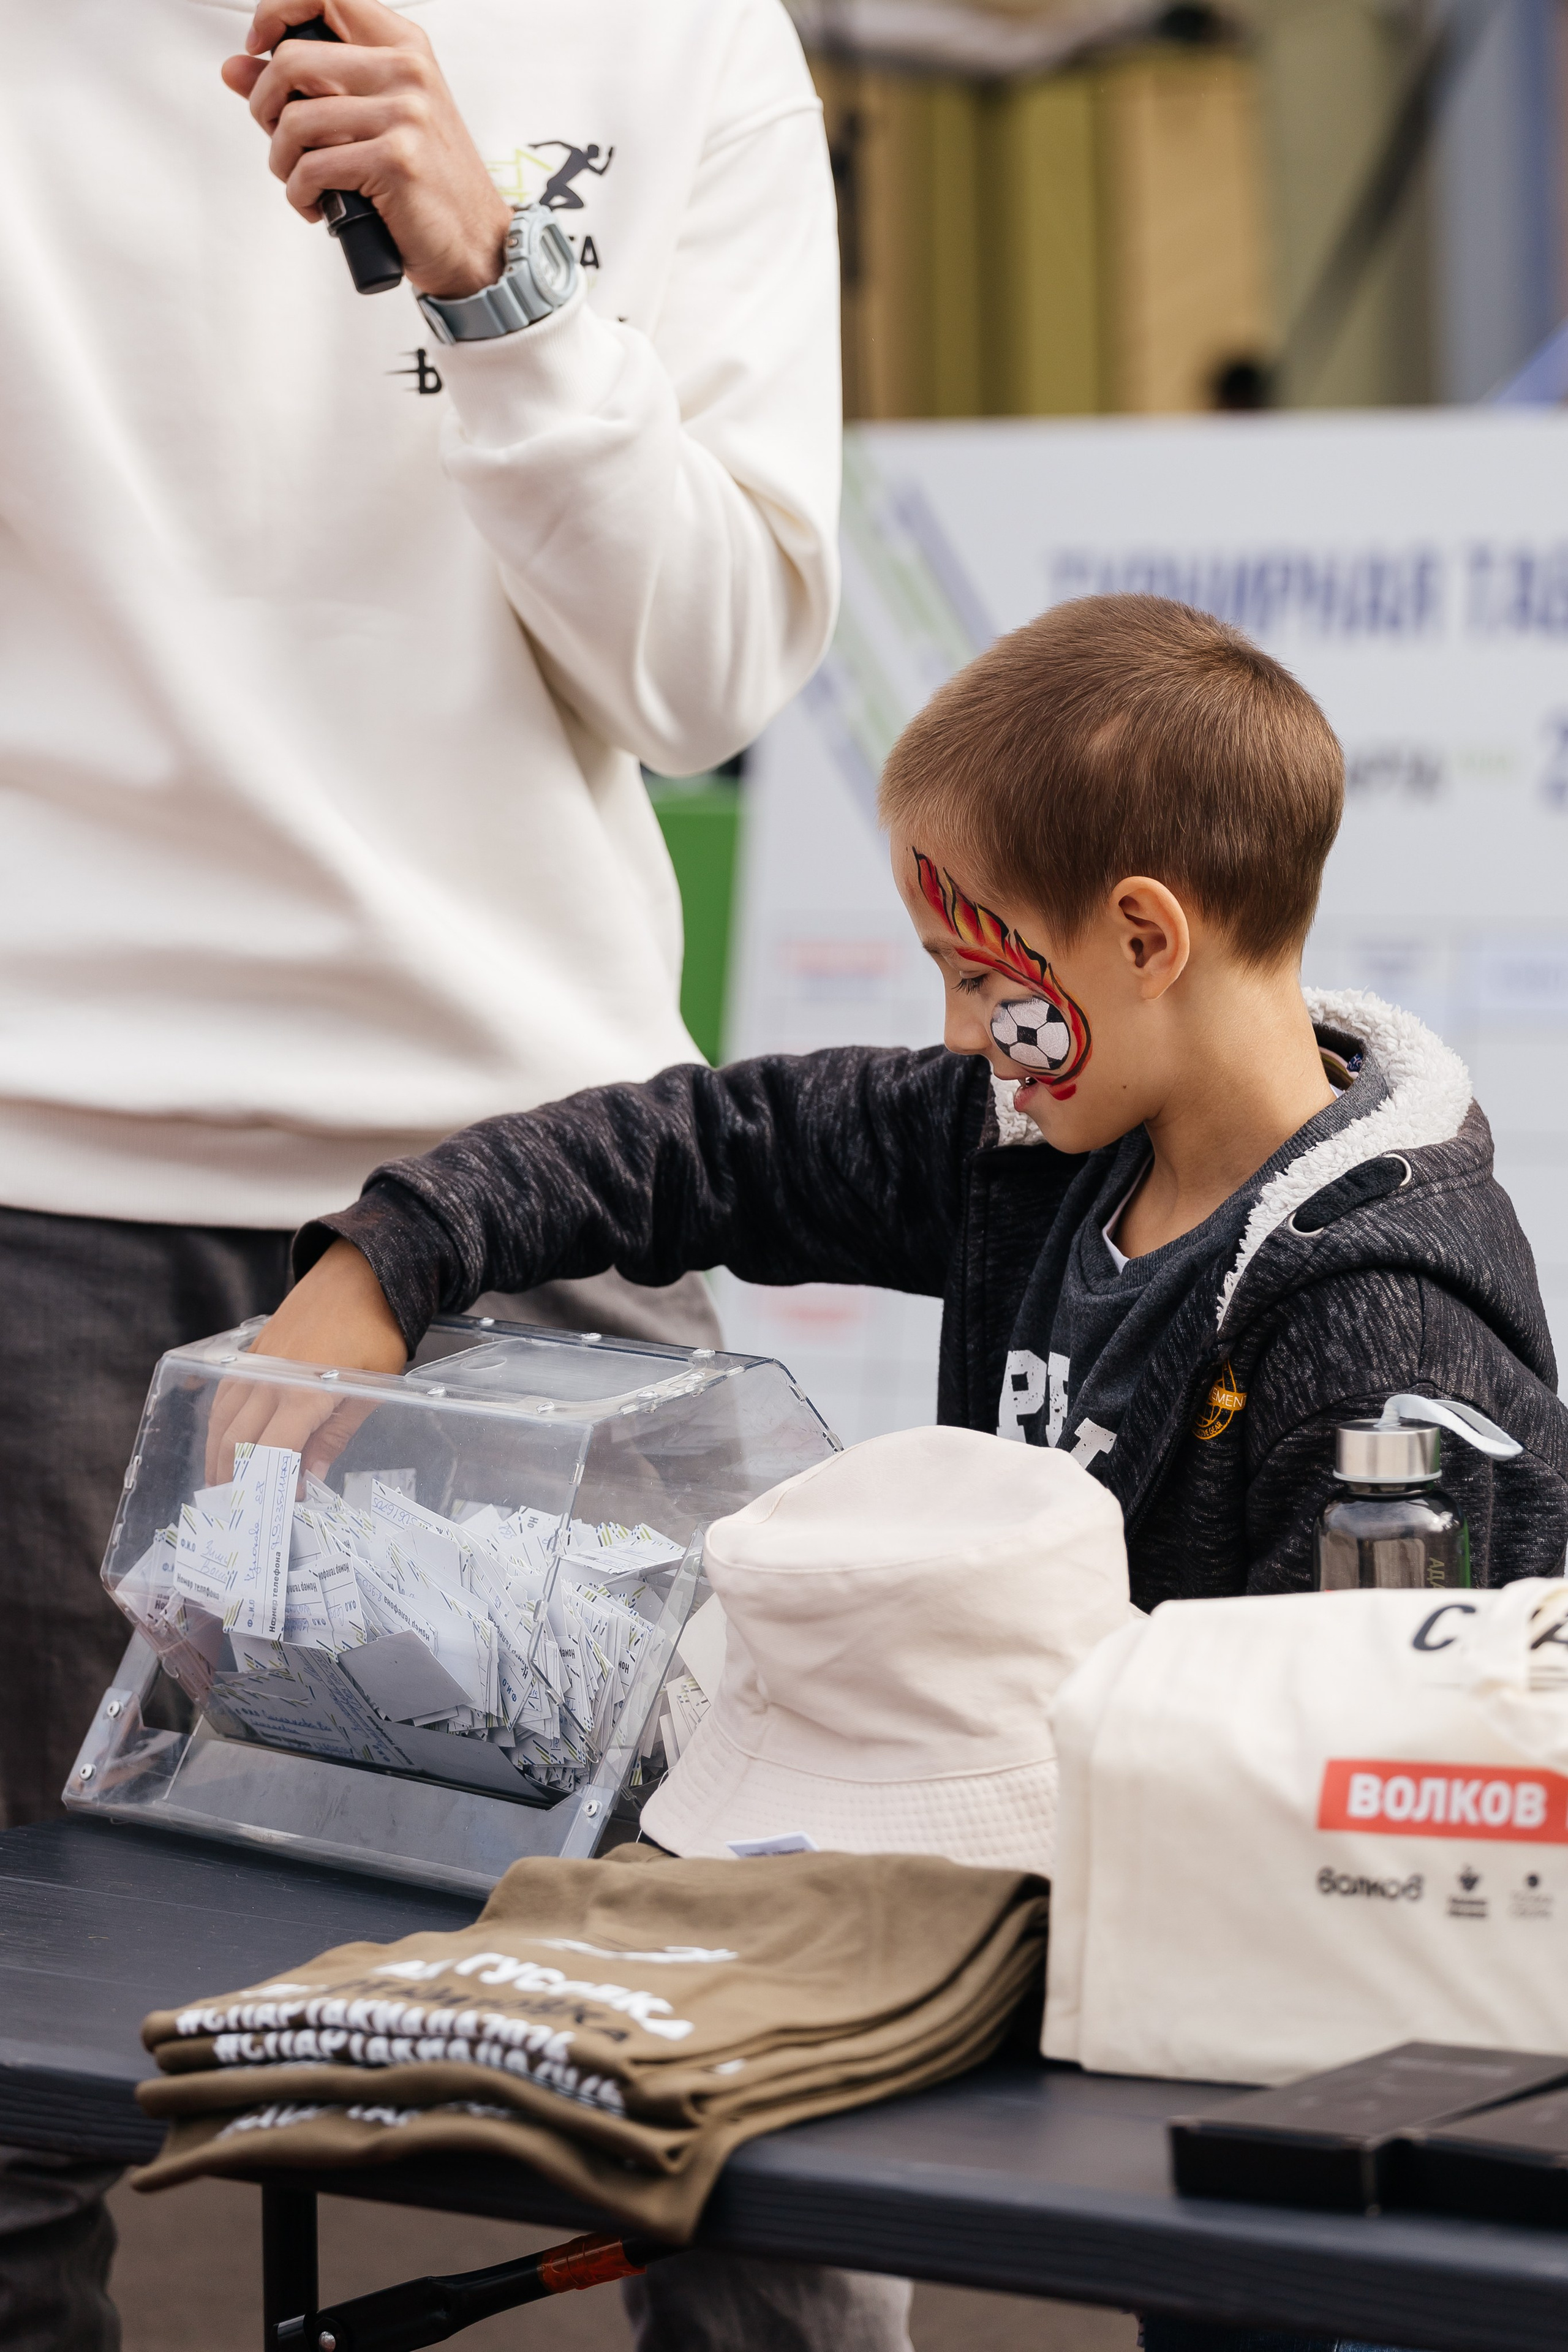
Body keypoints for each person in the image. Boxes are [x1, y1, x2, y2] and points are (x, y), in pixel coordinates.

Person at [0, 0, 839, 2341]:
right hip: (37, 1163)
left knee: (754, 2050)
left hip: (545, 1173)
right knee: (11, 2116)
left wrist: (496, 276)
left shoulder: (684, 39)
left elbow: (715, 672)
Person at [233, 592, 1568, 1593]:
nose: (958, 1034)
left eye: (982, 980)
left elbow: (1364, 1781)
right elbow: (700, 1145)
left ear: (1144, 940)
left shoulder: (1387, 1338)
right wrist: (389, 1256)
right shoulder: (1023, 1142)